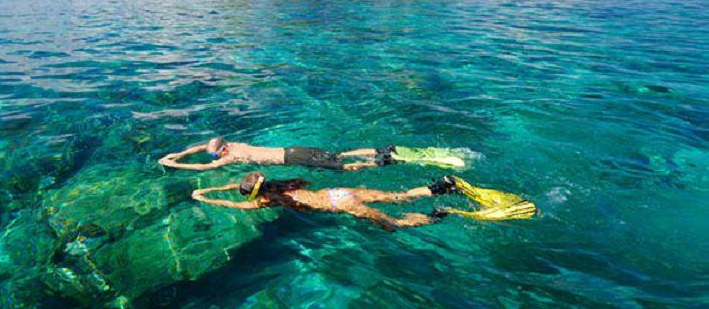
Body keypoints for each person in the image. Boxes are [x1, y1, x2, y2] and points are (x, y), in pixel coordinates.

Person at [192, 173, 538, 230]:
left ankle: (439, 214)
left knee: (392, 224)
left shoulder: (267, 202)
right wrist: (222, 185)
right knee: (400, 195)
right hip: (344, 191)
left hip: (342, 206)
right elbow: (248, 186)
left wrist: (202, 194)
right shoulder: (284, 185)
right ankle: (440, 187)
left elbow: (234, 205)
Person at [159, 136, 467, 171]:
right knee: (339, 154)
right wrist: (179, 152)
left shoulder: (232, 156)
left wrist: (173, 165)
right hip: (296, 148)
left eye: (217, 156)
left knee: (342, 167)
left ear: (223, 152)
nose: (215, 159)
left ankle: (384, 161)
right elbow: (203, 147)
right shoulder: (233, 145)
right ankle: (381, 150)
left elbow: (202, 167)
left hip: (294, 159)